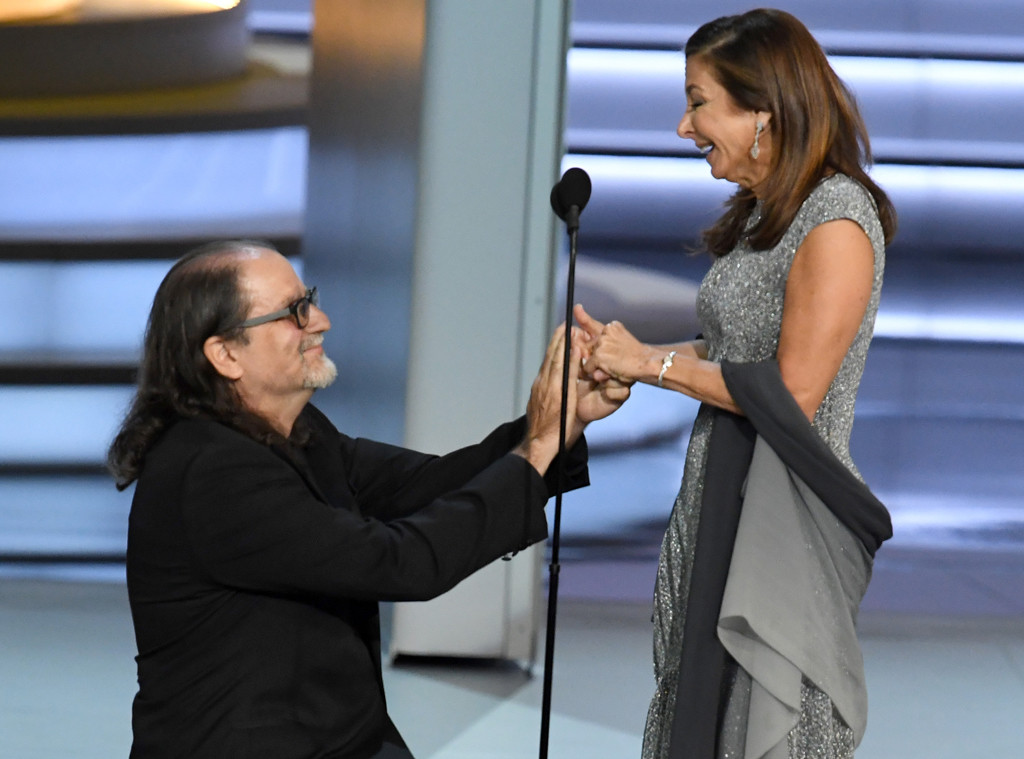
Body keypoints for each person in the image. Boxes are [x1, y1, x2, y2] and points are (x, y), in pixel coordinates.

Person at [107, 239, 629, 759]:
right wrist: (535, 448)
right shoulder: (213, 472)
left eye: (307, 299)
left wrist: (558, 424)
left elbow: (429, 484)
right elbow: (399, 562)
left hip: (338, 735)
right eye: (294, 313)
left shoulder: (292, 429)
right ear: (225, 355)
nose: (321, 320)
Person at [574, 9, 898, 759]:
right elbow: (736, 348)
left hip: (784, 517)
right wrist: (630, 353)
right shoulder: (767, 215)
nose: (684, 126)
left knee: (762, 721)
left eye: (697, 102)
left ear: (762, 112)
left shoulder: (837, 224)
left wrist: (655, 367)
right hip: (720, 485)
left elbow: (790, 393)